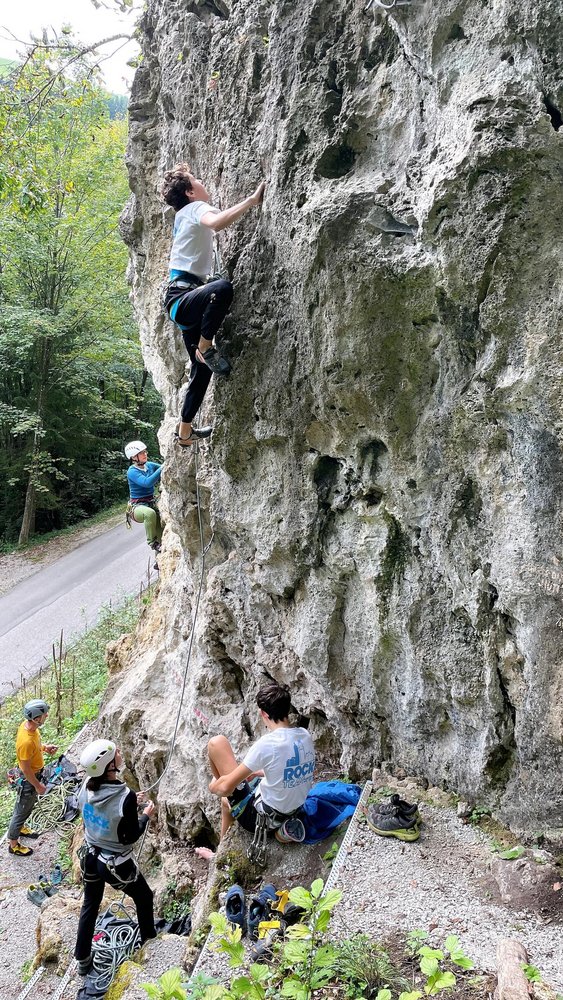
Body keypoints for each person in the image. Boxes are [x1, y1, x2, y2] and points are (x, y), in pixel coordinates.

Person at [161, 163, 265, 446]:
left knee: (202, 370)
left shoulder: (183, 215)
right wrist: (252, 200)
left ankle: (185, 431)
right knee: (222, 289)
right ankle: (205, 346)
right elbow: (216, 223)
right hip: (183, 298)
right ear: (190, 192)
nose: (202, 181)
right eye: (196, 180)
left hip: (182, 301)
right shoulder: (195, 208)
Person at [74, 738, 157, 977]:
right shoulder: (124, 796)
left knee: (90, 903)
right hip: (115, 864)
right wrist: (145, 815)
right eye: (115, 754)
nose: (119, 752)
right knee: (144, 897)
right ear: (109, 766)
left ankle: (82, 959)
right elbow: (130, 836)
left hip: (90, 856)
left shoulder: (87, 785)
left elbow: (101, 809)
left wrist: (131, 803)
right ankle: (150, 941)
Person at [207, 683, 315, 841]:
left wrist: (214, 786)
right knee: (226, 802)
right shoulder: (304, 735)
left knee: (216, 743)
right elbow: (290, 768)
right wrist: (259, 773)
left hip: (259, 819)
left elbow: (225, 788)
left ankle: (275, 831)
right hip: (294, 810)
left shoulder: (267, 744)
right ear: (287, 709)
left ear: (263, 713)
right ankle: (222, 846)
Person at [7, 699, 57, 857]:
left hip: (33, 776)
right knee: (21, 811)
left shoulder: (29, 727)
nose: (46, 716)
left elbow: (34, 747)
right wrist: (37, 785)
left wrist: (45, 748)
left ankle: (20, 828)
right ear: (36, 718)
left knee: (24, 808)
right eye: (44, 714)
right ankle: (13, 845)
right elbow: (26, 769)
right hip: (29, 779)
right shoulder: (26, 742)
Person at [125, 440, 165, 556]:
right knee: (149, 514)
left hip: (151, 501)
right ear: (134, 457)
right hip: (137, 506)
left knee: (161, 534)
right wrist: (162, 468)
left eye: (145, 452)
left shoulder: (149, 466)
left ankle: (159, 558)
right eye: (141, 453)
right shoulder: (132, 472)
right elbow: (147, 483)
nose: (145, 454)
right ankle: (152, 542)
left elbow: (165, 470)